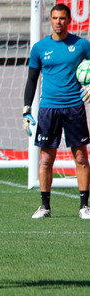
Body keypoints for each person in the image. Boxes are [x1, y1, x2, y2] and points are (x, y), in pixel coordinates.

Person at [23, 3, 90, 219]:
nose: (58, 22)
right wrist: (26, 110)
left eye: (62, 18)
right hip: (48, 109)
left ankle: (83, 207)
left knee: (80, 157)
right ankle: (45, 207)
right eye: (54, 18)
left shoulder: (82, 45)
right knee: (45, 160)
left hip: (74, 107)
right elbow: (32, 80)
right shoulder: (39, 48)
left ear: (69, 20)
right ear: (50, 20)